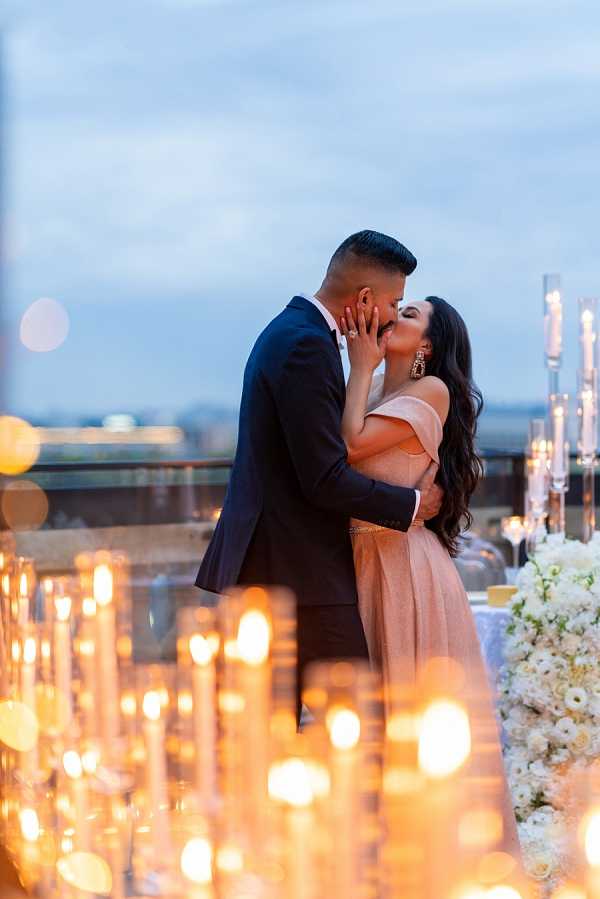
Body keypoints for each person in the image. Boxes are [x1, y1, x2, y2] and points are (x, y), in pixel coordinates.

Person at [195, 231, 441, 716]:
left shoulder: (295, 332)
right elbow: (324, 476)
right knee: (353, 725)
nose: (393, 314)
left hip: (282, 567)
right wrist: (413, 505)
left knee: (279, 731)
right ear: (366, 298)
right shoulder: (306, 346)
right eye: (394, 301)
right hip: (296, 573)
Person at [340, 295, 519, 853]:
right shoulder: (373, 393)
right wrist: (361, 372)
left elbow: (348, 444)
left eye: (410, 315)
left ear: (428, 346)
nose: (395, 317)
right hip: (359, 562)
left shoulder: (432, 390)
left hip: (403, 568)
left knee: (410, 718)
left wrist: (360, 362)